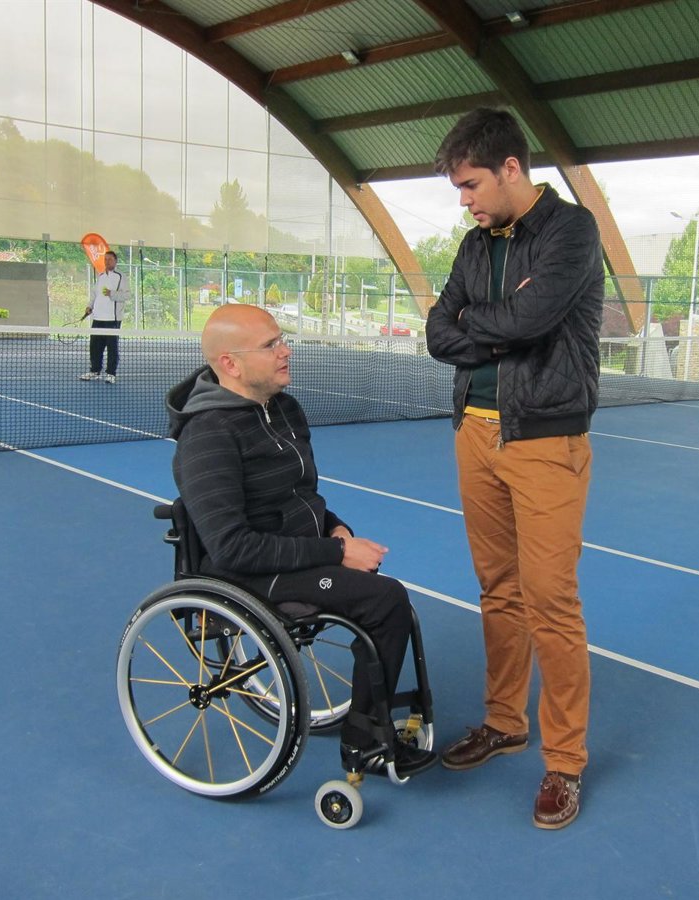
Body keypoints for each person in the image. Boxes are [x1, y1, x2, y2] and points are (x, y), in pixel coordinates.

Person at [425, 107, 603, 830]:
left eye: (470, 186)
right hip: (474, 431)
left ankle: (565, 761)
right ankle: (505, 722)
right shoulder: (474, 246)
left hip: (545, 439)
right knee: (497, 590)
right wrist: (492, 326)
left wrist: (480, 323)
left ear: (509, 169)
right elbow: (438, 332)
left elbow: (531, 322)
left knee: (550, 600)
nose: (464, 202)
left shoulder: (571, 231)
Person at [166, 304, 437, 778]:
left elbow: (299, 496)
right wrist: (338, 552)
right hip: (245, 573)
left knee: (384, 597)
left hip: (290, 555)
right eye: (270, 345)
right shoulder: (207, 435)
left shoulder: (284, 409)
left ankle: (375, 718)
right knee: (385, 600)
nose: (285, 351)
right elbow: (232, 547)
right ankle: (363, 744)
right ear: (230, 363)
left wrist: (334, 527)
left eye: (282, 340)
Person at [80, 250, 128, 383]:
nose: (107, 262)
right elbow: (95, 294)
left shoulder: (121, 277)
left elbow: (126, 295)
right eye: (105, 259)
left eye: (110, 259)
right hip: (97, 318)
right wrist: (90, 306)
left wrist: (112, 293)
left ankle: (111, 373)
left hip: (112, 319)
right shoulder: (100, 276)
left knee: (112, 347)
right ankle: (95, 371)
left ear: (115, 261)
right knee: (95, 346)